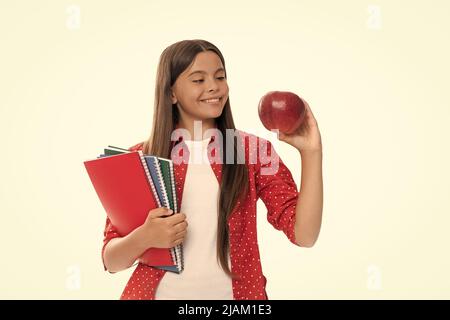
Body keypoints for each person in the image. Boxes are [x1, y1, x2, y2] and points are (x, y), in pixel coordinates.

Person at [101, 39, 323, 300]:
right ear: (171, 92)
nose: (213, 87)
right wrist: (145, 237)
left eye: (220, 77)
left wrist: (311, 153)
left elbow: (304, 235)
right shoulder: (139, 159)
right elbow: (111, 260)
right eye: (198, 80)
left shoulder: (253, 152)